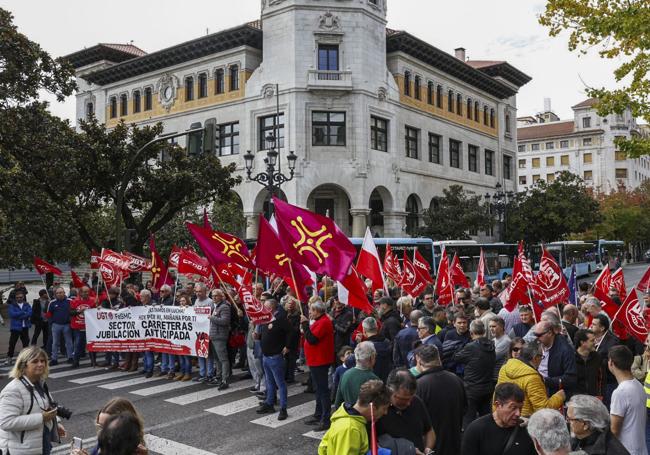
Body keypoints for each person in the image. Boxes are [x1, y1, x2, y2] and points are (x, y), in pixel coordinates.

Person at [0, 346, 66, 455]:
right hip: (20, 450)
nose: (40, 364)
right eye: (35, 361)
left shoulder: (39, 383)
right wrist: (42, 418)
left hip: (40, 444)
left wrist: (56, 423)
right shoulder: (13, 390)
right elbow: (6, 422)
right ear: (23, 365)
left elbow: (47, 407)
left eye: (43, 361)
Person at [416, 345, 466, 455]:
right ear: (439, 358)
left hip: (430, 448)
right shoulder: (456, 380)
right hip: (454, 445)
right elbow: (464, 409)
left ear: (418, 360)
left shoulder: (419, 385)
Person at [318, 379, 391, 455]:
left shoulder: (347, 415)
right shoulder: (350, 429)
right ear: (372, 408)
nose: (385, 413)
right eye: (384, 408)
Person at [461, 383, 536, 455]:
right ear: (498, 405)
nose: (518, 413)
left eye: (520, 408)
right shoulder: (476, 430)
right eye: (513, 408)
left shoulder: (525, 430)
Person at [496, 340, 565, 417]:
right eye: (541, 357)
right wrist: (559, 397)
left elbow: (496, 396)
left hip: (502, 417)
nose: (541, 360)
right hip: (523, 422)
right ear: (535, 358)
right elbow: (543, 409)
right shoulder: (532, 378)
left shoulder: (504, 368)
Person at [377, 368, 435, 454]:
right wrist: (407, 450)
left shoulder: (417, 402)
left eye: (410, 398)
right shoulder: (378, 410)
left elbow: (429, 430)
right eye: (403, 399)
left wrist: (428, 448)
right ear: (390, 391)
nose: (408, 403)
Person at [453, 319, 496, 427]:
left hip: (472, 389)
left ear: (471, 333)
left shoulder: (471, 347)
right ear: (484, 331)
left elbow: (456, 357)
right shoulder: (491, 345)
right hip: (487, 388)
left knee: (469, 420)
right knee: (486, 419)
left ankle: (469, 441)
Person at [256, 299, 292, 421]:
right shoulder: (266, 318)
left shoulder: (280, 318)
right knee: (269, 382)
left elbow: (291, 332)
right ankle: (269, 403)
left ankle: (283, 409)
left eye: (264, 306)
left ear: (271, 308)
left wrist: (288, 346)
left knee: (280, 384)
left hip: (276, 357)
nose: (262, 308)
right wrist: (258, 336)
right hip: (266, 356)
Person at [301, 300, 335, 431]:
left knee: (322, 390)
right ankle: (318, 414)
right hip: (315, 360)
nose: (310, 312)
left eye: (312, 310)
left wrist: (304, 324)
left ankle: (325, 419)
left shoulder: (324, 322)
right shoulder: (320, 321)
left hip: (320, 360)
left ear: (318, 311)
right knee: (318, 389)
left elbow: (312, 339)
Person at [608, 345, 648, 455]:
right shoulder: (638, 385)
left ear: (611, 363)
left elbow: (614, 430)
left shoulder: (620, 392)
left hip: (626, 451)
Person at [71, 397, 146, 455]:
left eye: (107, 427)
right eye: (100, 426)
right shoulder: (106, 441)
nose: (102, 432)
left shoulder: (132, 449)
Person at [533, 320, 577, 398]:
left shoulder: (565, 350)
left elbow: (570, 378)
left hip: (553, 393)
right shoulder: (536, 345)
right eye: (535, 334)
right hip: (536, 387)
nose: (536, 338)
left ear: (550, 333)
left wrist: (545, 381)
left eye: (539, 335)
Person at [334, 341, 379, 409]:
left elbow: (338, 403)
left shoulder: (345, 375)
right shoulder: (374, 379)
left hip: (347, 415)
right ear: (371, 357)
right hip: (364, 418)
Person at [591, 314, 620, 406]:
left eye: (594, 324)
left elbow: (610, 364)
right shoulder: (590, 338)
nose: (591, 326)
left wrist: (593, 355)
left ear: (602, 328)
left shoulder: (612, 342)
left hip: (608, 383)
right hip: (595, 382)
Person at [358, 317, 393, 382]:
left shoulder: (365, 347)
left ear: (364, 330)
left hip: (372, 381)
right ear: (377, 328)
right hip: (387, 378)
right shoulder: (387, 342)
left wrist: (359, 344)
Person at [209, 289, 231, 389]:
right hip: (213, 336)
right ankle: (218, 376)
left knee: (223, 359)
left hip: (220, 336)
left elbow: (225, 321)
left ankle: (225, 379)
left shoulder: (224, 307)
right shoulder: (214, 306)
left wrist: (211, 318)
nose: (214, 297)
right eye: (213, 295)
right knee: (217, 359)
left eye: (216, 295)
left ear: (221, 296)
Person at [5, 290, 32, 366]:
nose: (19, 298)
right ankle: (9, 358)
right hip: (15, 328)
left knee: (26, 343)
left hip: (25, 327)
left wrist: (20, 315)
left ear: (23, 297)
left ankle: (25, 358)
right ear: (15, 298)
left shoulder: (27, 304)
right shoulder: (12, 305)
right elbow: (12, 315)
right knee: (12, 343)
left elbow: (30, 313)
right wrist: (23, 312)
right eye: (17, 297)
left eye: (21, 297)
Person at [48, 287, 73, 366]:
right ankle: (54, 359)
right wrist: (51, 322)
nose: (59, 294)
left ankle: (70, 357)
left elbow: (74, 311)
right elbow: (48, 314)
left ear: (64, 293)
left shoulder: (70, 301)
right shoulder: (52, 302)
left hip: (67, 325)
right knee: (55, 343)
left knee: (69, 342)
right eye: (57, 293)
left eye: (61, 292)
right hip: (56, 325)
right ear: (55, 294)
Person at [574, 329, 604, 397]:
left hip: (593, 398)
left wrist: (600, 395)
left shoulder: (597, 357)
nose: (595, 342)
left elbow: (601, 378)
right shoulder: (571, 358)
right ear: (582, 342)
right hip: (576, 400)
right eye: (592, 341)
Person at [70, 286, 94, 368]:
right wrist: (79, 311)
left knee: (91, 345)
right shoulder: (74, 301)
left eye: (87, 291)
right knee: (77, 345)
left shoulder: (93, 300)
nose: (86, 293)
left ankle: (93, 361)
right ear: (80, 292)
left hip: (89, 327)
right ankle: (75, 362)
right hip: (78, 327)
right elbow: (70, 312)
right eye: (84, 292)